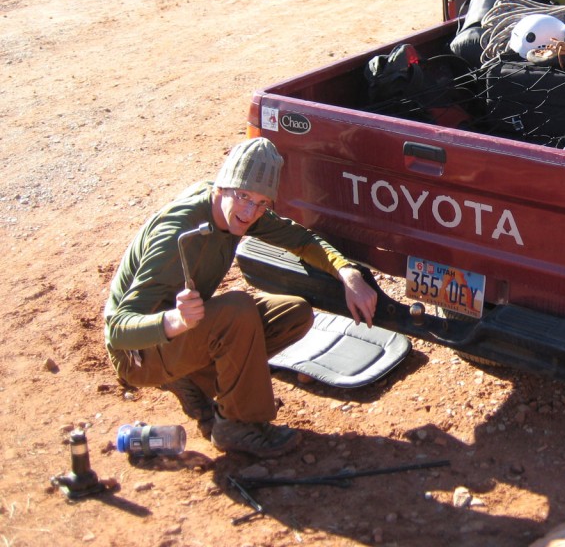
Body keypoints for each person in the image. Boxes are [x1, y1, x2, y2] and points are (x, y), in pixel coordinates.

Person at [103, 137, 377, 458]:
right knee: (237, 311)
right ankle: (238, 425)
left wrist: (348, 273)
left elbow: (300, 239)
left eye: (262, 203)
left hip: (179, 333)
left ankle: (197, 379)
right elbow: (117, 331)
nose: (250, 211)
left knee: (293, 314)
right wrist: (175, 321)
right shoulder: (178, 232)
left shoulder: (240, 212)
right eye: (243, 197)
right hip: (138, 354)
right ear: (221, 187)